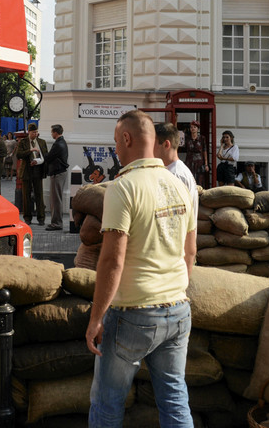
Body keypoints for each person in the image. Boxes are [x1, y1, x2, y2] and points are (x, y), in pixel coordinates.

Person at [86, 110, 196, 428]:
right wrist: (175, 291)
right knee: (175, 400)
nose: (116, 151)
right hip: (177, 309)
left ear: (127, 139)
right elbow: (190, 252)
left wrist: (96, 318)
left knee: (107, 403)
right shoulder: (179, 185)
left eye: (116, 144)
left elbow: (112, 261)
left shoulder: (122, 188)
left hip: (134, 312)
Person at [154, 122, 200, 218]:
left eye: (153, 144)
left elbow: (175, 218)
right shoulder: (175, 170)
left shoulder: (175, 174)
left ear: (166, 145)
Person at [16, 123, 48, 225]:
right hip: (26, 171)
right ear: (29, 132)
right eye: (33, 132)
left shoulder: (42, 142)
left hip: (38, 171)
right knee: (26, 196)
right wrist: (30, 150)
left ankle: (41, 218)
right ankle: (27, 218)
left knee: (39, 195)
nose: (35, 134)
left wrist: (38, 161)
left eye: (37, 132)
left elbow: (45, 155)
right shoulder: (23, 142)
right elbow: (18, 155)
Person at [44, 124, 69, 231]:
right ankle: (56, 222)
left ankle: (57, 223)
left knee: (56, 200)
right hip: (60, 173)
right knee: (56, 199)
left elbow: (48, 158)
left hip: (57, 173)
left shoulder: (58, 144)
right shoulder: (62, 142)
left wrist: (40, 152)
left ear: (55, 132)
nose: (51, 134)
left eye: (52, 132)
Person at [183, 120, 208, 188]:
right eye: (191, 127)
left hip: (199, 162)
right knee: (189, 178)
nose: (193, 129)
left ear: (198, 129)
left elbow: (204, 151)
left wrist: (206, 164)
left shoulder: (202, 138)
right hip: (189, 162)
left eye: (194, 127)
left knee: (199, 180)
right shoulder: (187, 138)